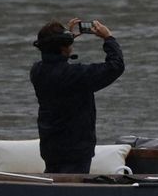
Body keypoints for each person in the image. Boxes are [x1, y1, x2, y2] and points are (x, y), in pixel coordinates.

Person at [30, 18, 124, 174]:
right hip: (75, 150)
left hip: (50, 147)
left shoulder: (37, 71)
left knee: (55, 189)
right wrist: (108, 38)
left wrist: (67, 38)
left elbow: (53, 53)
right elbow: (116, 66)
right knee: (70, 192)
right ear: (64, 46)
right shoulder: (75, 76)